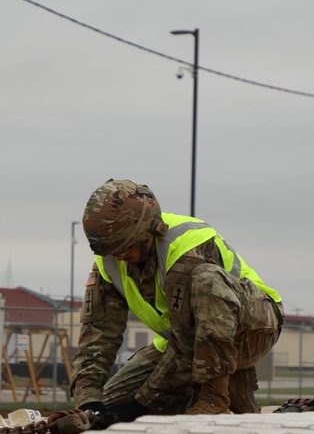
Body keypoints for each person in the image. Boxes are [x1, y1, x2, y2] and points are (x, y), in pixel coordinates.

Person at [71, 179, 282, 418]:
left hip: (252, 328)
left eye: (126, 249)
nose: (119, 258)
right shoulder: (110, 258)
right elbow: (97, 336)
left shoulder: (186, 248)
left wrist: (142, 404)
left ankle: (214, 398)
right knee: (109, 409)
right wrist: (89, 401)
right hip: (181, 342)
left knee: (206, 279)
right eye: (113, 251)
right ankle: (199, 393)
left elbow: (189, 343)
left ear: (146, 233)